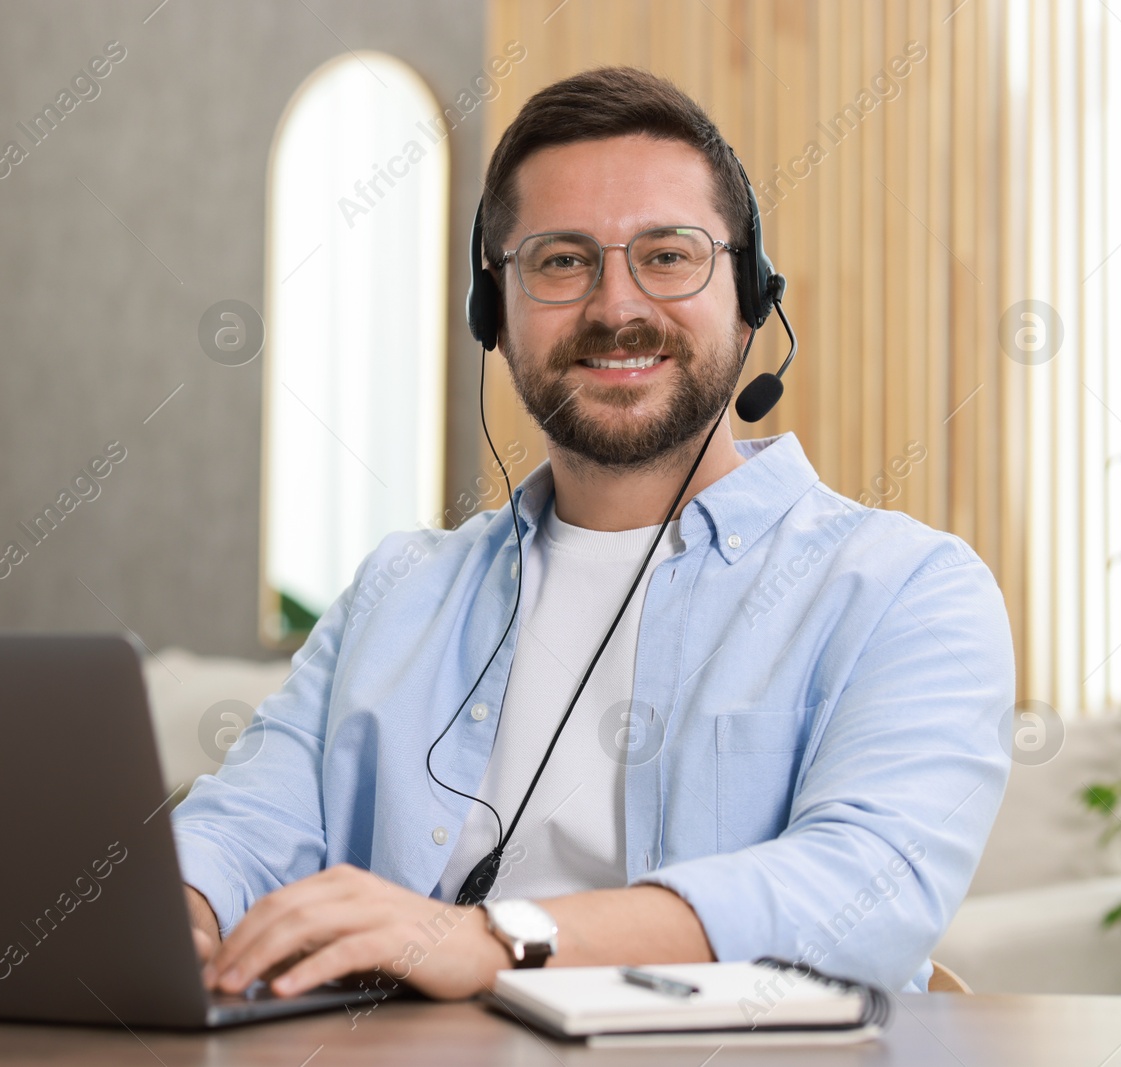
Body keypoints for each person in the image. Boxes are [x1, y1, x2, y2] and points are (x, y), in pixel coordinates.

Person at [171, 66, 1014, 1001]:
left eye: (667, 254)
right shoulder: (399, 587)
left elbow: (865, 888)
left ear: (749, 293)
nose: (617, 308)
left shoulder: (906, 589)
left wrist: (493, 938)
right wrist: (182, 916)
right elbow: (243, 829)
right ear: (493, 311)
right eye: (563, 260)